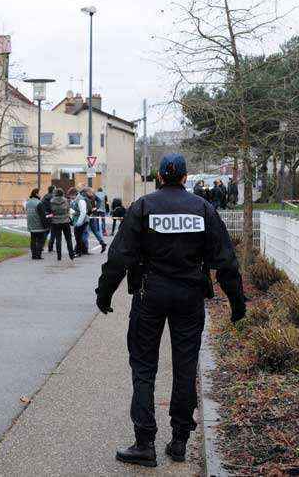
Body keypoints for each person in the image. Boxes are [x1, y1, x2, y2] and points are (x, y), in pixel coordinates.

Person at [95, 153, 246, 468]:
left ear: (160, 177)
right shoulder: (203, 209)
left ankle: (144, 443)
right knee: (185, 366)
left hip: (150, 294)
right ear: (186, 177)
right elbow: (225, 259)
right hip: (189, 295)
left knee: (144, 366)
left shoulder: (144, 207)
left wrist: (105, 292)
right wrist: (237, 301)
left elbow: (119, 255)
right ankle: (179, 441)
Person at [48, 188, 75, 261]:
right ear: (62, 193)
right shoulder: (65, 200)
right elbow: (68, 209)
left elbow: (51, 210)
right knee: (68, 239)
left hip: (56, 222)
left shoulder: (52, 201)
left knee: (58, 239)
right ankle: (71, 255)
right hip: (65, 221)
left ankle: (59, 256)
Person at [25, 188, 48, 260]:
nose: (41, 195)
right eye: (39, 193)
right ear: (36, 194)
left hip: (31, 224)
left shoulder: (28, 202)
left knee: (33, 240)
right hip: (39, 225)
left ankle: (33, 255)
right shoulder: (39, 203)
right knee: (41, 240)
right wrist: (46, 226)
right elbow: (42, 216)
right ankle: (38, 255)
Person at [84, 187, 108, 252]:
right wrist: (96, 208)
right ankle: (102, 243)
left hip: (88, 215)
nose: (92, 194)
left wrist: (96, 208)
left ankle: (86, 248)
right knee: (95, 231)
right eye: (91, 193)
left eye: (92, 193)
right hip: (92, 215)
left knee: (86, 232)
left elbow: (99, 201)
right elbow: (99, 201)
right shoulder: (92, 195)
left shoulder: (86, 196)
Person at [70, 187, 90, 257]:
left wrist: (79, 223)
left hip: (82, 221)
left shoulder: (80, 200)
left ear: (74, 194)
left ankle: (79, 252)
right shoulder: (76, 199)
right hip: (78, 220)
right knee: (78, 237)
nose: (70, 197)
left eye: (71, 196)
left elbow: (83, 212)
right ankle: (81, 251)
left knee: (78, 237)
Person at [41, 185, 56, 252]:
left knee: (45, 232)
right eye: (55, 189)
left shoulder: (44, 197)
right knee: (53, 232)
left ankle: (41, 246)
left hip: (45, 215)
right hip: (52, 215)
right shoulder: (53, 197)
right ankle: (50, 248)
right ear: (53, 190)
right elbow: (53, 207)